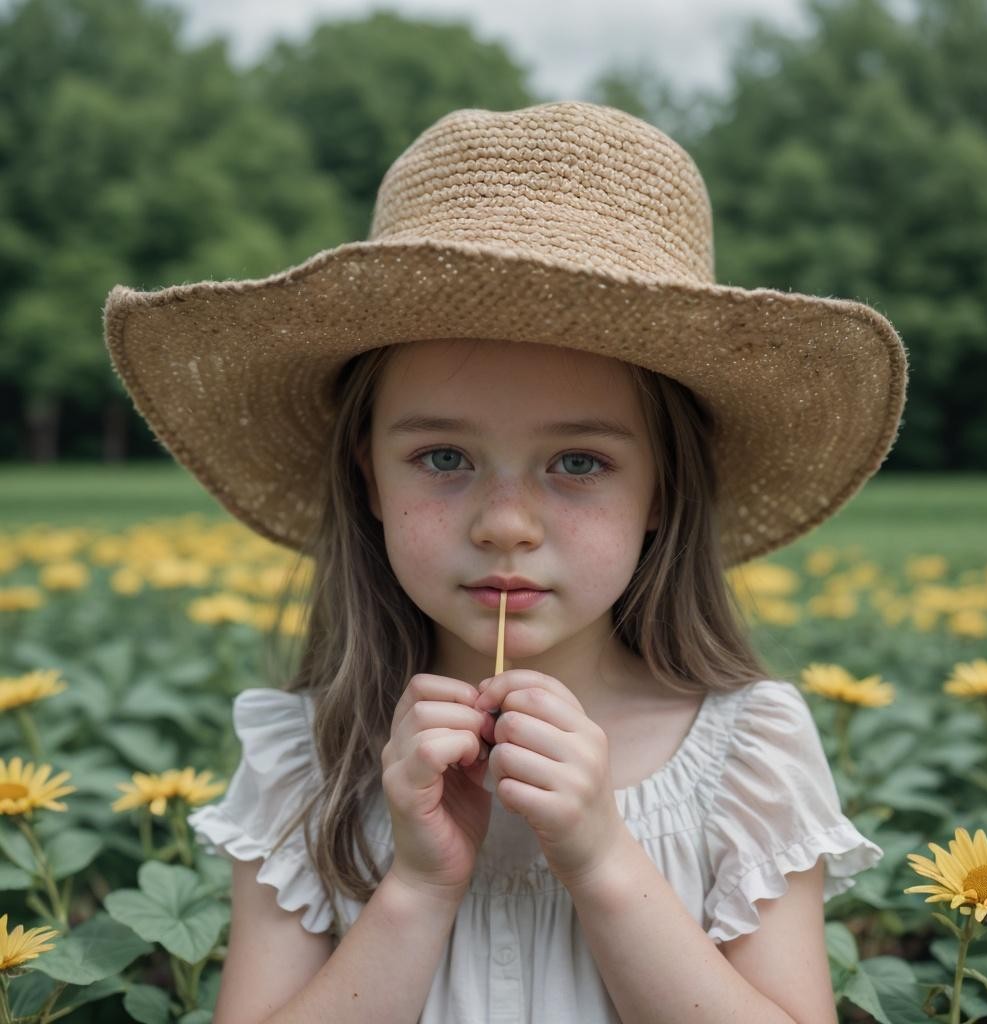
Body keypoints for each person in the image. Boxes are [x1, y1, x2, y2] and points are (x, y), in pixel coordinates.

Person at [103, 100, 907, 1024]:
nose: (506, 524)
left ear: (665, 493)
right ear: (367, 477)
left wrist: (604, 860)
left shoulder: (744, 755)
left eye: (579, 463)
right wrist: (417, 886)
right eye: (443, 458)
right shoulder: (307, 763)